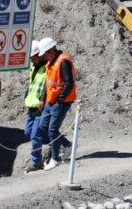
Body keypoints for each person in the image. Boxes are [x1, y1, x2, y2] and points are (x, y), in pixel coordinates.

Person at [37, 37, 77, 171]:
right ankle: (66, 144)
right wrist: (43, 98)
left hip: (60, 102)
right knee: (43, 126)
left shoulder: (63, 61)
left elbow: (69, 82)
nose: (44, 57)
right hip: (50, 101)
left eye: (45, 54)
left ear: (51, 50)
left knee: (52, 130)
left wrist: (60, 99)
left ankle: (55, 159)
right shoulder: (51, 62)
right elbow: (47, 81)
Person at [24, 40, 49, 172]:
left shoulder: (47, 68)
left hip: (41, 105)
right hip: (31, 105)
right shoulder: (33, 66)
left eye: (33, 56)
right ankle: (59, 142)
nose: (31, 59)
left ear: (40, 55)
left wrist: (43, 99)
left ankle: (36, 161)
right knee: (28, 132)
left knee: (35, 135)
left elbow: (47, 85)